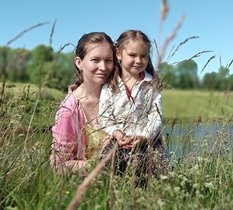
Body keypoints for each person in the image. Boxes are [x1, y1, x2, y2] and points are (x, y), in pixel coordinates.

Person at [98, 30, 172, 184]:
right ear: (118, 54)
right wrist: (117, 134)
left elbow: (156, 115)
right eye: (132, 55)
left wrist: (145, 136)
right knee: (106, 173)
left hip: (148, 140)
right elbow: (104, 116)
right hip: (118, 140)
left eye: (144, 56)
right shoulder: (109, 85)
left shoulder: (151, 84)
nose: (139, 60)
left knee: (162, 175)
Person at [50, 32, 118, 175]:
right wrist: (101, 161)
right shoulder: (69, 110)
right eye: (95, 60)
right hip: (87, 190)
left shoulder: (119, 98)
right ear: (79, 62)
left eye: (108, 60)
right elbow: (59, 166)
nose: (103, 67)